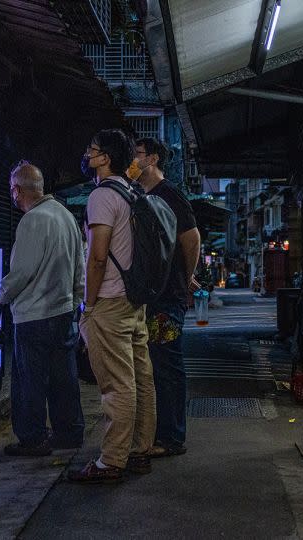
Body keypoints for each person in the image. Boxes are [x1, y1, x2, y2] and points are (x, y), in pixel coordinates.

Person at [69, 129, 156, 483]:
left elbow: (98, 257)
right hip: (134, 300)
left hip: (108, 300)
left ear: (104, 158)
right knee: (140, 379)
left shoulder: (103, 196)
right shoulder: (132, 191)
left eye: (91, 149)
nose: (87, 155)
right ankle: (138, 450)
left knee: (116, 385)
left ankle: (111, 461)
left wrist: (88, 304)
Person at [0, 161, 86, 457]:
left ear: (17, 190)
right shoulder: (65, 216)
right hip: (63, 312)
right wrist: (75, 301)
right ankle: (69, 432)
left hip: (34, 316)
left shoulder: (32, 220)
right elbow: (79, 267)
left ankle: (33, 438)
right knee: (64, 379)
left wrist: (2, 294)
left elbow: (21, 272)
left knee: (29, 381)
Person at [131, 138, 201, 458]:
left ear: (153, 159)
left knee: (167, 364)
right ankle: (162, 432)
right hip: (152, 295)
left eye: (137, 155)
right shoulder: (140, 196)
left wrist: (184, 278)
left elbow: (191, 238)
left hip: (167, 298)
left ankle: (172, 437)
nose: (132, 160)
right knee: (156, 364)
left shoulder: (169, 194)